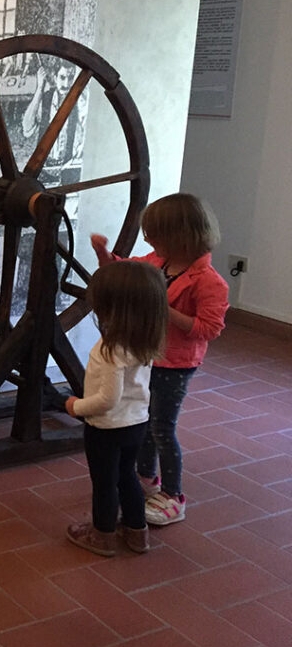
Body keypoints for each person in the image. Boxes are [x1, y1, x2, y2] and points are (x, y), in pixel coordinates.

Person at [91, 193, 229, 526]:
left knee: (162, 428)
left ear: (180, 236)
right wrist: (103, 255)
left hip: (177, 363)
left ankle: (173, 495)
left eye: (154, 234)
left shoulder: (210, 282)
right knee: (143, 420)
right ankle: (144, 477)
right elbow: (127, 273)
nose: (148, 240)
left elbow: (209, 328)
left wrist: (164, 311)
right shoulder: (158, 262)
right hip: (150, 357)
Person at [64, 260, 169, 556]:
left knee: (104, 484)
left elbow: (107, 400)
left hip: (106, 427)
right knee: (127, 476)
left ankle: (103, 535)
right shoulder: (144, 341)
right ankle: (137, 533)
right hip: (136, 423)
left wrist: (76, 407)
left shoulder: (108, 350)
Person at [21, 59, 85, 165]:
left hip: (68, 166)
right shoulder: (46, 99)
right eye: (62, 77)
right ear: (55, 78)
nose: (66, 83)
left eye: (70, 78)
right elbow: (27, 129)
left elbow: (83, 134)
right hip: (43, 167)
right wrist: (40, 88)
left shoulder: (79, 103)